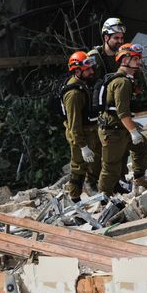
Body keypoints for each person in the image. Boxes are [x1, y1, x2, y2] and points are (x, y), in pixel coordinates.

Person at [97, 43, 147, 196]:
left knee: (141, 145)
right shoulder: (122, 82)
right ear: (125, 59)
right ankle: (104, 197)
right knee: (111, 167)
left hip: (120, 128)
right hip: (112, 131)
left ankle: (139, 178)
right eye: (136, 59)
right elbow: (123, 113)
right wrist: (134, 132)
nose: (139, 62)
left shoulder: (126, 80)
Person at [60, 51, 102, 202]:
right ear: (77, 70)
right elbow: (74, 124)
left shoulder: (82, 84)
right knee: (78, 167)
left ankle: (93, 187)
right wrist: (83, 146)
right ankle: (74, 200)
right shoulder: (74, 94)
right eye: (88, 69)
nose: (91, 71)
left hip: (89, 132)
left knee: (95, 163)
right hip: (80, 136)